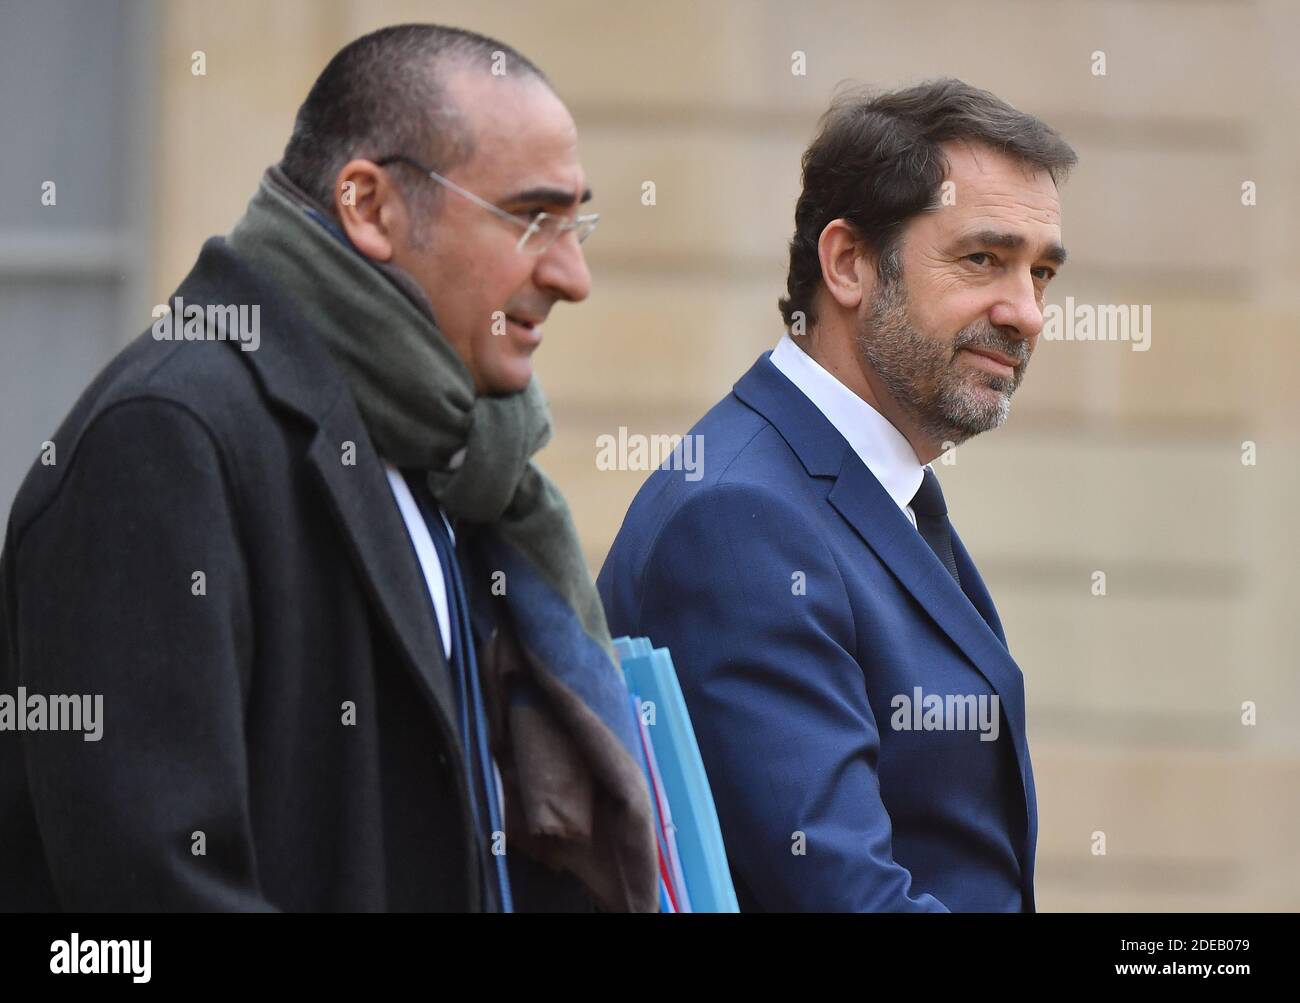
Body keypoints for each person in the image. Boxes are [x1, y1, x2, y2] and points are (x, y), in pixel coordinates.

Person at [0, 23, 656, 912]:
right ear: (369, 206)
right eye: (532, 219)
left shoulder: (454, 453)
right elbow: (151, 897)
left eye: (576, 222)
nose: (574, 274)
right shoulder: (166, 438)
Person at [598, 79, 1077, 911]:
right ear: (848, 263)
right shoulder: (741, 521)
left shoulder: (864, 486)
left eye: (1041, 273)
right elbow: (846, 898)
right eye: (983, 259)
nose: (1028, 312)